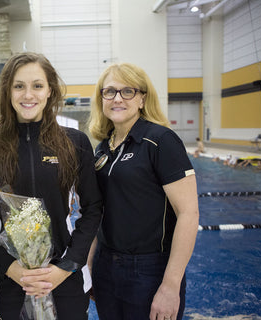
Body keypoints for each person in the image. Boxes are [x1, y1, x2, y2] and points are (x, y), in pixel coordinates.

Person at [0, 52, 102, 319]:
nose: (28, 95)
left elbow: (93, 208)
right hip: (10, 282)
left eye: (37, 86)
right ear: (8, 91)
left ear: (50, 90)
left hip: (66, 279)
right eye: (19, 86)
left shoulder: (74, 142)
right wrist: (10, 267)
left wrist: (66, 266)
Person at [87, 63, 199, 320]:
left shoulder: (160, 141)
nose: (117, 98)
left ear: (142, 99)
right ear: (101, 98)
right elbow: (98, 213)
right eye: (109, 92)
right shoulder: (103, 148)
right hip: (106, 266)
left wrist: (170, 286)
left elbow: (189, 214)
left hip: (149, 271)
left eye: (127, 91)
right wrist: (90, 265)